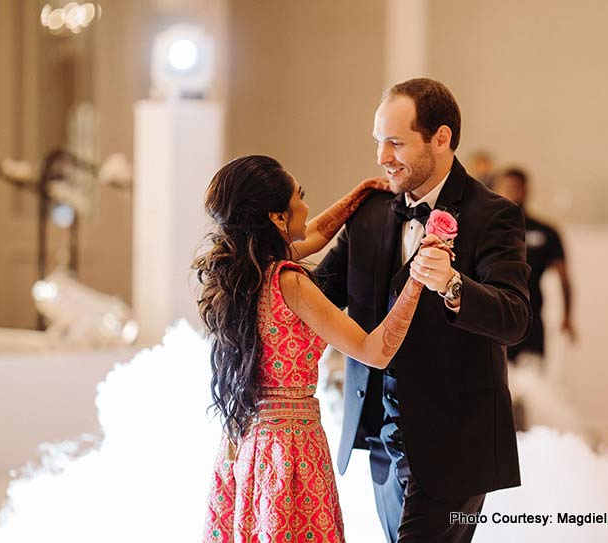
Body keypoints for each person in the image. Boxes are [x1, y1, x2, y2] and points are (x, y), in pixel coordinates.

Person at [316, 78, 532, 542]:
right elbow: (316, 294)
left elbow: (514, 318)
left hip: (456, 442)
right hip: (380, 439)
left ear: (441, 138)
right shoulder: (369, 213)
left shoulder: (493, 215)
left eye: (395, 142)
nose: (381, 157)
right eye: (378, 142)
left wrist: (453, 284)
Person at [193, 155, 450, 542]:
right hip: (292, 449)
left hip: (248, 444)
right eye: (300, 196)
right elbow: (374, 350)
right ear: (278, 219)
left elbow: (311, 234)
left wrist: (357, 196)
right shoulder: (289, 281)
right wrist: (418, 278)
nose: (307, 207)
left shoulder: (242, 270)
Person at [492, 167, 576, 362]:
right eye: (507, 188)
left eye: (516, 188)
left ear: (526, 190)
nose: (512, 193)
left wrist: (567, 316)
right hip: (494, 317)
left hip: (530, 319)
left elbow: (564, 277)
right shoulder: (488, 231)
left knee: (531, 379)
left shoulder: (546, 232)